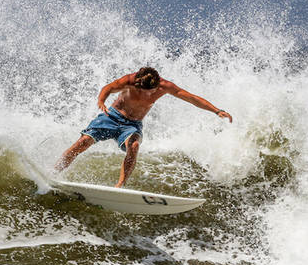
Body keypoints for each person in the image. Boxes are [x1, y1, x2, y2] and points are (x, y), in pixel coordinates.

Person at [55, 66, 232, 187]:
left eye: (150, 91)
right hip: (112, 117)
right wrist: (101, 100)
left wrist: (217, 111)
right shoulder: (129, 80)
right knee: (84, 141)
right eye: (141, 89)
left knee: (134, 145)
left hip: (132, 125)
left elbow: (191, 98)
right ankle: (55, 172)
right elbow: (108, 87)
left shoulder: (165, 87)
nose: (145, 93)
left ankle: (120, 186)